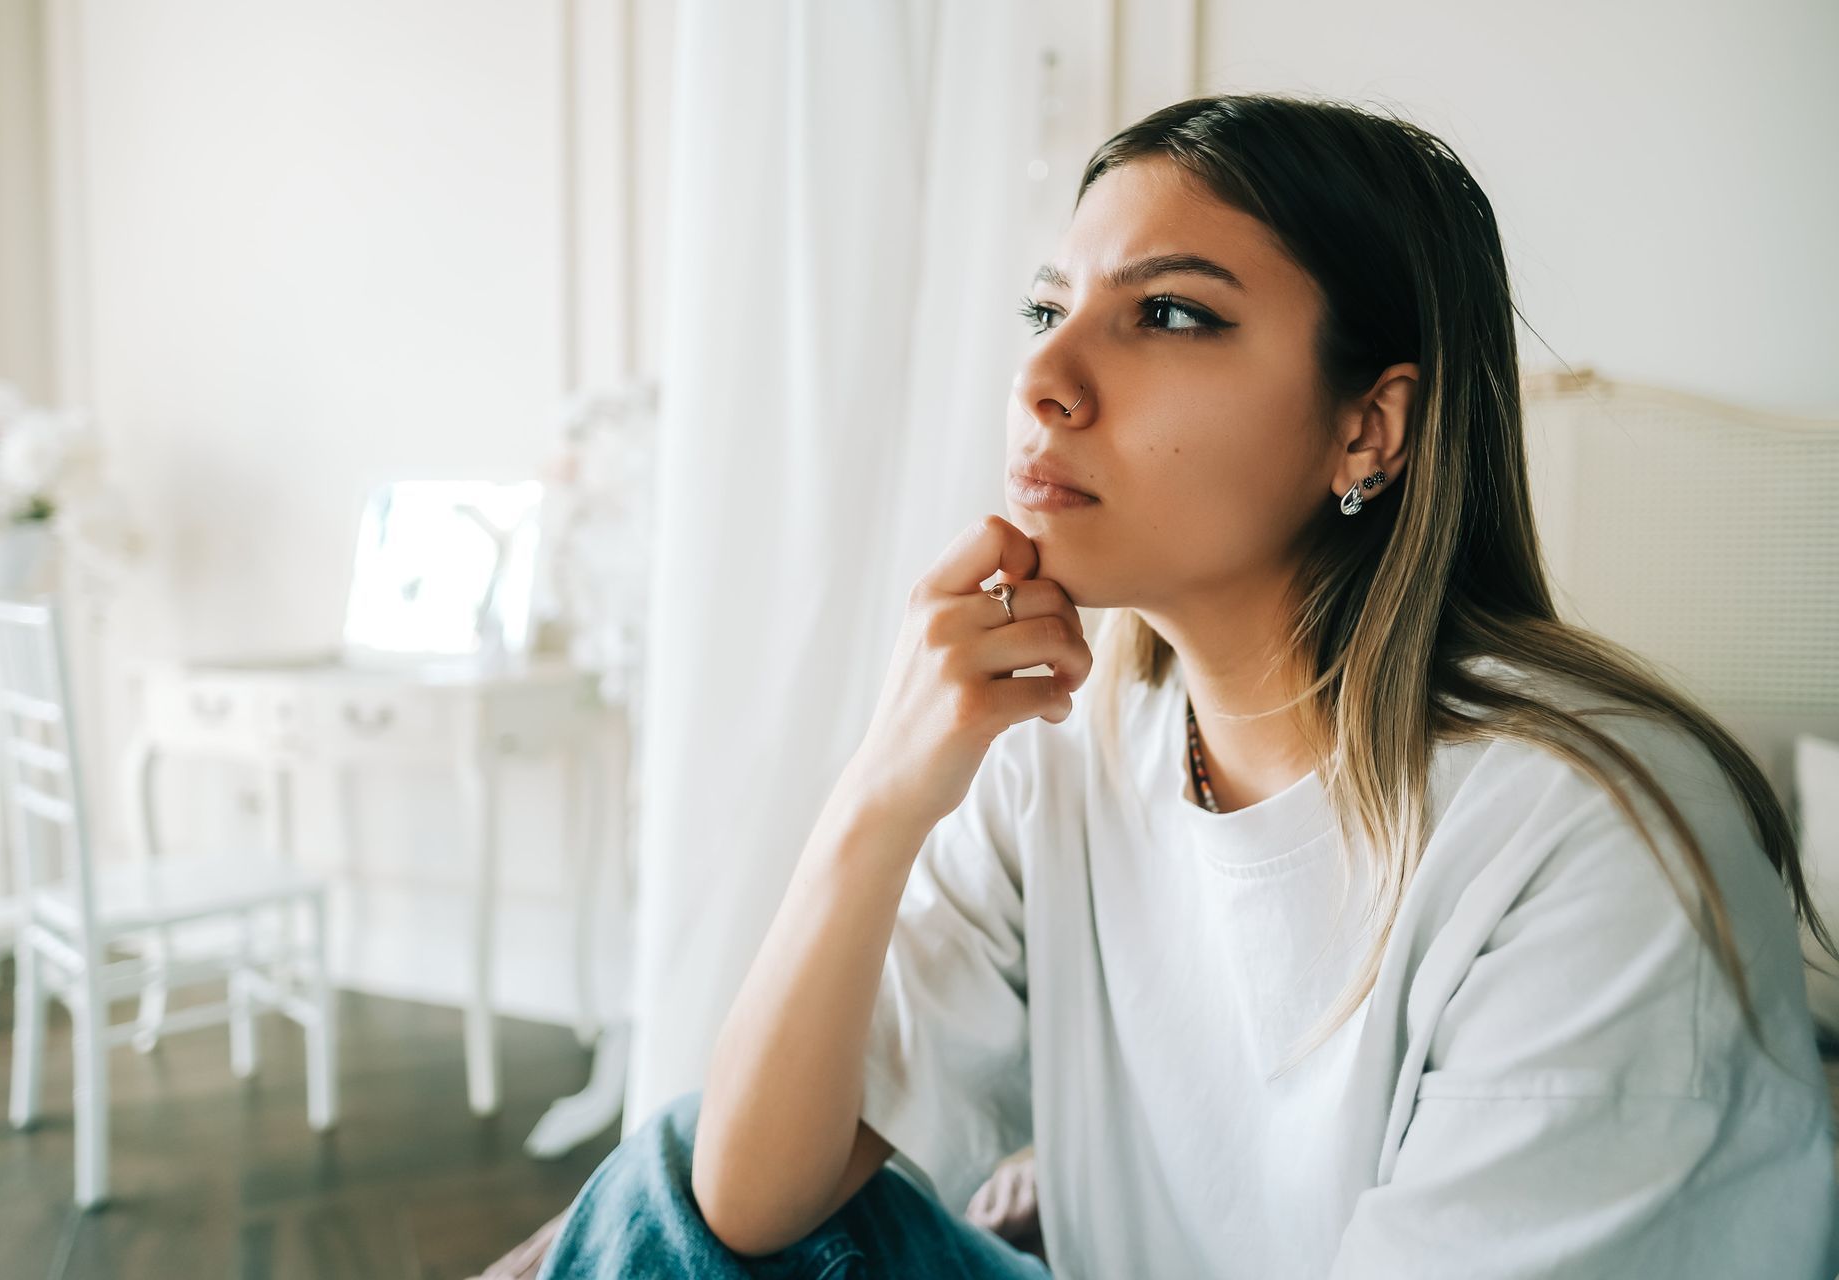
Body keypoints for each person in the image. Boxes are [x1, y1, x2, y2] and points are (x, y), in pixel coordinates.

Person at [538, 92, 1839, 1278]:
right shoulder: (1063, 745)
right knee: (672, 1175)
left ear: (1367, 428)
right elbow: (749, 1201)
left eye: (1170, 314)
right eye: (1050, 311)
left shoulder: (1580, 837)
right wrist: (882, 790)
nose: (1044, 382)